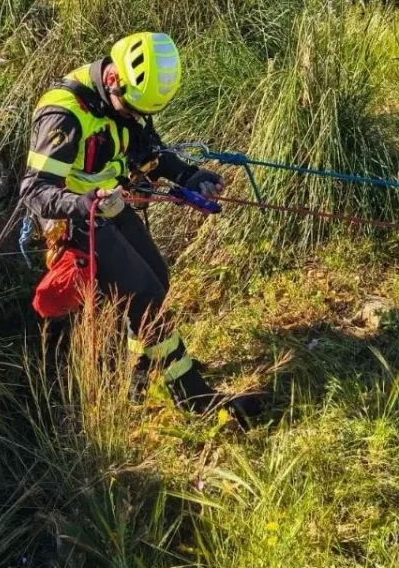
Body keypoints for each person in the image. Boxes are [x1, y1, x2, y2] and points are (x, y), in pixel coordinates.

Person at [20, 31, 261, 423]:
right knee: (146, 294)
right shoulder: (63, 114)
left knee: (157, 278)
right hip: (73, 217)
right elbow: (35, 191)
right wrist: (86, 202)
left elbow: (149, 154)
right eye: (131, 109)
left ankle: (136, 376)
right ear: (113, 79)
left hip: (106, 202)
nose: (134, 118)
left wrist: (190, 175)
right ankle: (194, 398)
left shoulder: (125, 102)